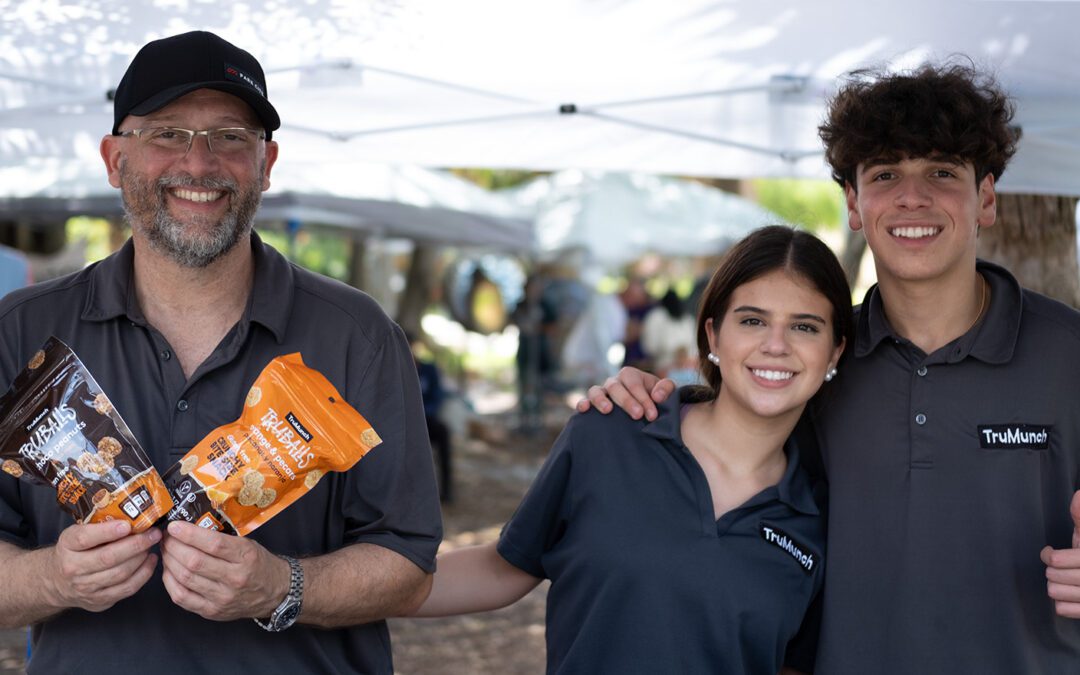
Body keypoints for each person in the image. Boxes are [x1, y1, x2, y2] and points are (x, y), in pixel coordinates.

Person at [584, 61, 1080, 672]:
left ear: (985, 198)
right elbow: (723, 434)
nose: (912, 197)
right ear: (853, 202)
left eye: (942, 173)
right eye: (886, 173)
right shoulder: (812, 360)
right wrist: (646, 396)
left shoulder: (1070, 354)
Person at [0, 31, 441, 673]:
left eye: (231, 137)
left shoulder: (357, 334)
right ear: (114, 158)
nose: (199, 165)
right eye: (167, 134)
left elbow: (409, 566)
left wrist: (282, 588)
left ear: (266, 163)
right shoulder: (19, 331)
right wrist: (54, 579)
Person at [408, 226, 852, 674]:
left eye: (804, 326)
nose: (775, 345)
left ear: (834, 353)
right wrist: (355, 593)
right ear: (713, 335)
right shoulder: (610, 432)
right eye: (752, 320)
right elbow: (504, 569)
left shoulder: (823, 517)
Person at [407, 332, 453, 503]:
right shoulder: (396, 372)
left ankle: (447, 491)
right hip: (406, 423)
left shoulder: (428, 370)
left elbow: (437, 397)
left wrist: (424, 413)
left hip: (427, 419)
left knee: (443, 432)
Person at [639, 287, 696, 376]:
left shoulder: (686, 319)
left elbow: (649, 347)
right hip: (664, 368)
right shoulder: (656, 317)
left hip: (688, 367)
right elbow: (650, 347)